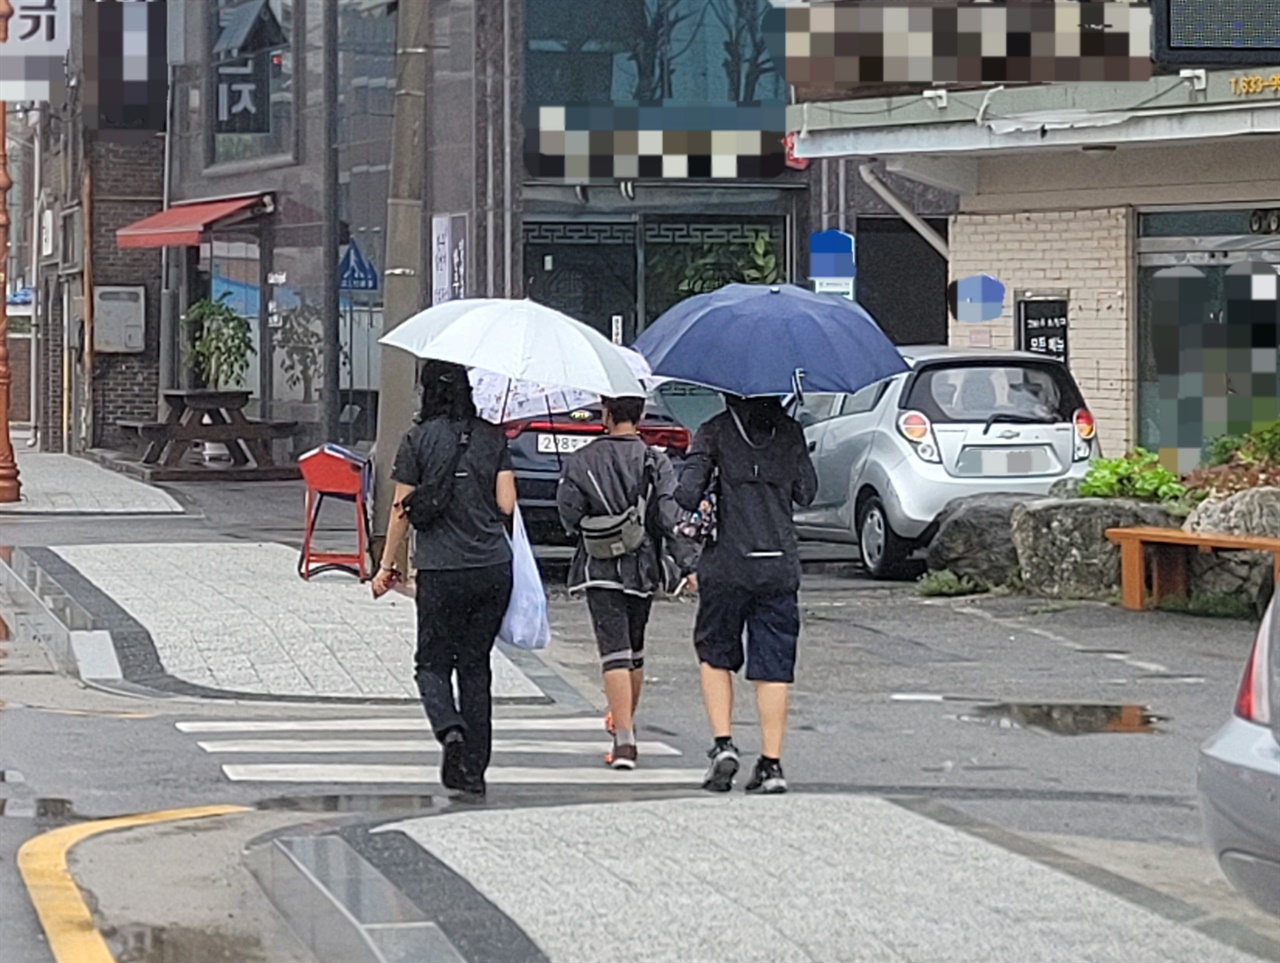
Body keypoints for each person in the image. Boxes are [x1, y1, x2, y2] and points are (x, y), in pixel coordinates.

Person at [372, 360, 517, 797]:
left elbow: (401, 509)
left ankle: (449, 730)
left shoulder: (417, 439)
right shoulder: (492, 436)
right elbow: (507, 504)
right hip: (492, 568)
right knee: (475, 666)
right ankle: (473, 771)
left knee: (432, 664)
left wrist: (386, 567)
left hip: (440, 569)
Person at [675, 394, 817, 794]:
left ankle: (723, 745)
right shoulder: (790, 431)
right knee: (774, 665)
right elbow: (807, 492)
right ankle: (771, 765)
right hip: (778, 565)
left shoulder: (714, 431)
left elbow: (686, 495)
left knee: (715, 652)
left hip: (726, 565)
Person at [557, 396, 689, 769]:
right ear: (642, 415)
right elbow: (668, 514)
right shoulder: (655, 459)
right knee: (634, 649)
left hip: (598, 566)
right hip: (642, 564)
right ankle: (624, 721)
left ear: (607, 414)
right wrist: (686, 562)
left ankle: (624, 740)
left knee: (611, 650)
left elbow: (569, 515)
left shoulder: (582, 459)